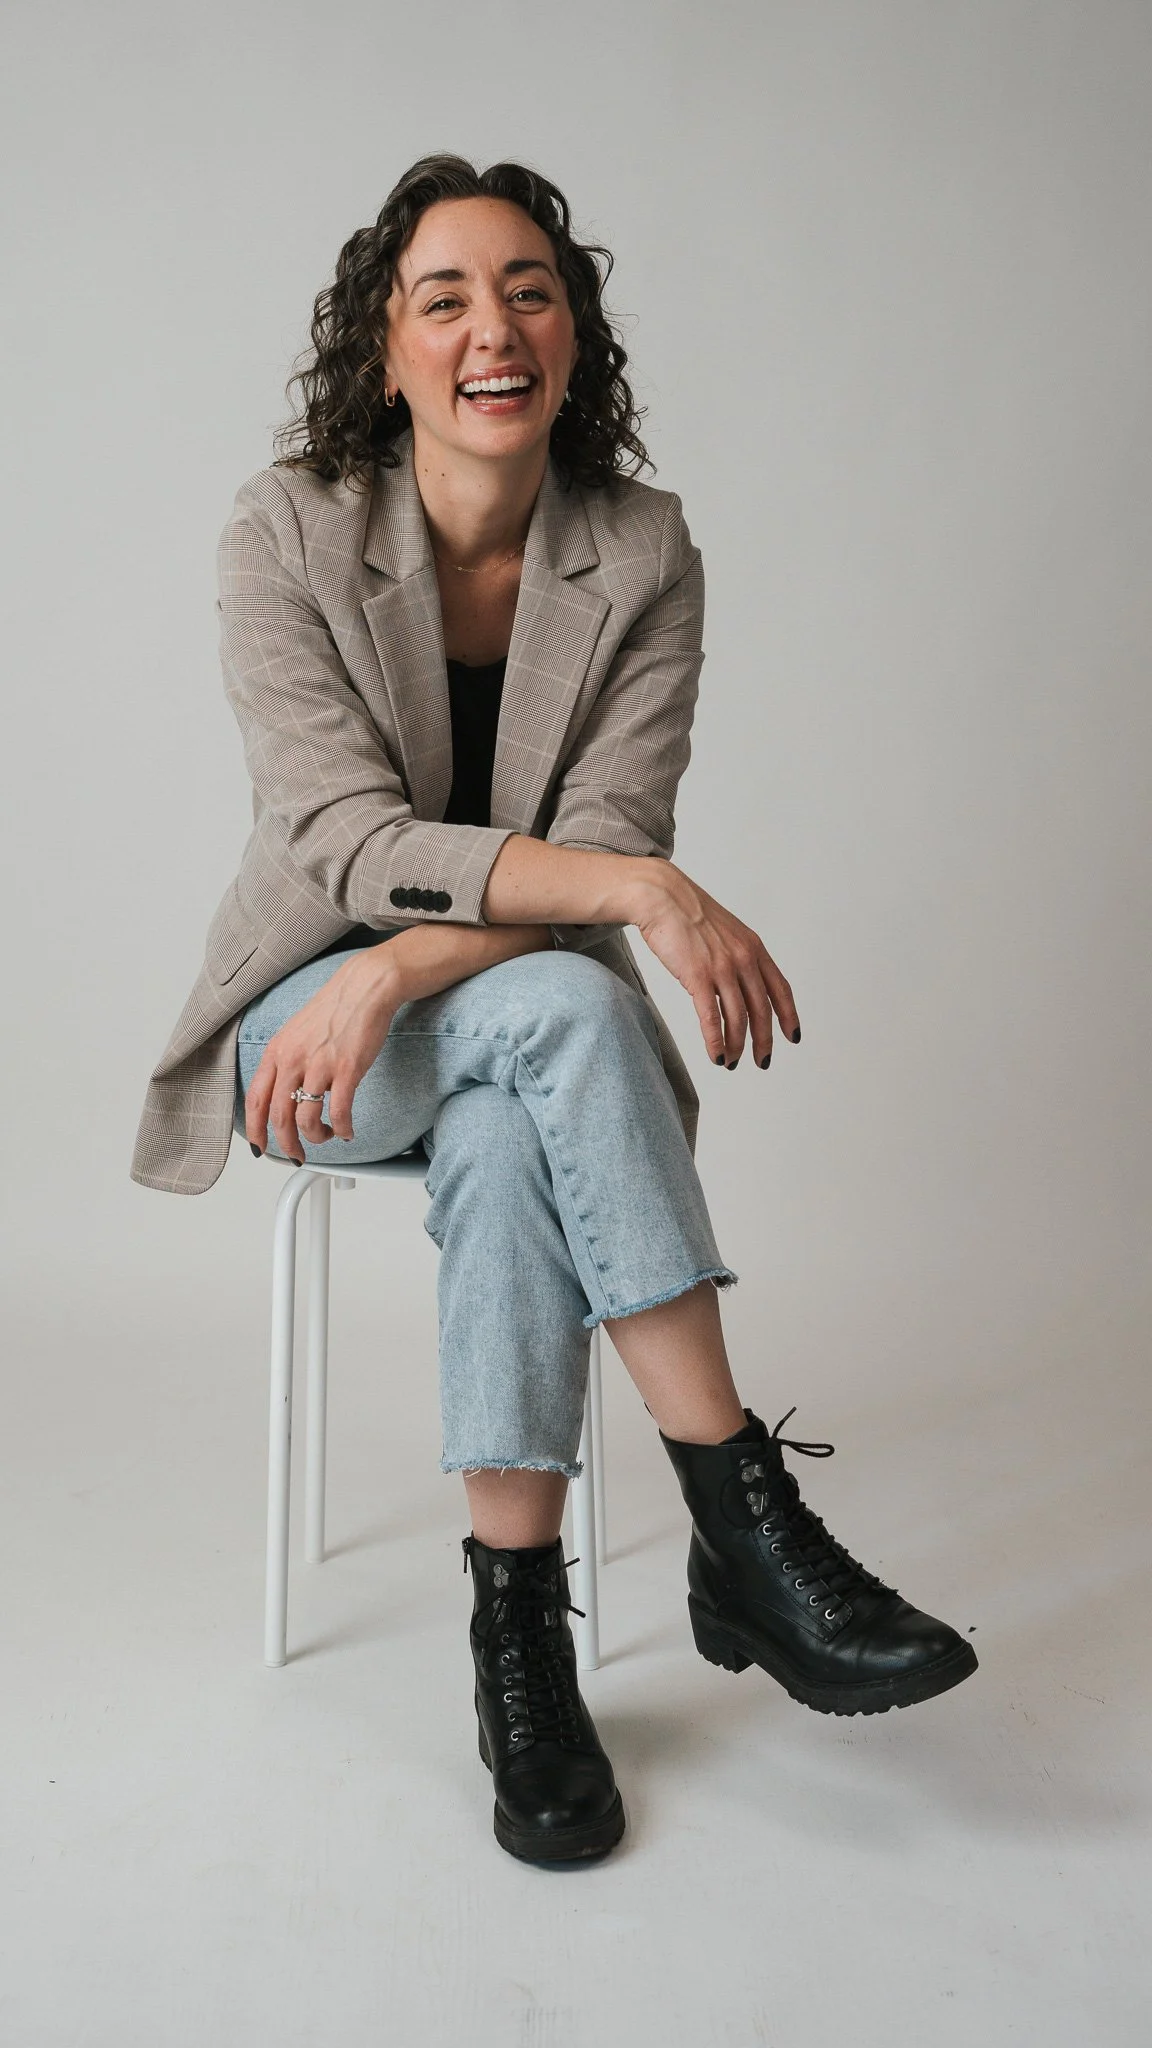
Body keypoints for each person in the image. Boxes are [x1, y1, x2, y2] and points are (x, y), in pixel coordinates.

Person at [131, 153, 977, 1866]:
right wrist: (606, 904)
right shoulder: (283, 529)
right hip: (307, 1038)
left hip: (441, 1012)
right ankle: (745, 1524)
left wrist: (416, 961)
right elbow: (348, 842)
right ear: (385, 351)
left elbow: (606, 843)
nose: (492, 329)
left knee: (530, 1095)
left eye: (530, 291)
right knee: (572, 1016)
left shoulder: (642, 550)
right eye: (443, 298)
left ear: (575, 338)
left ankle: (520, 1648)